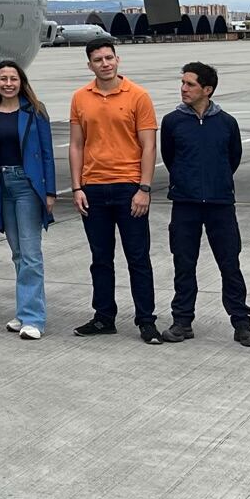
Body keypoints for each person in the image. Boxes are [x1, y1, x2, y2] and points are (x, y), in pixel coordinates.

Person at [158, 62, 250, 347]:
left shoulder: (226, 123)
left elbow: (233, 158)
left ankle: (241, 323)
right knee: (184, 264)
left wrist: (216, 183)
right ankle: (182, 321)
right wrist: (185, 182)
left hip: (220, 204)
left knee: (230, 265)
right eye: (182, 83)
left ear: (207, 89)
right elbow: (169, 156)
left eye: (190, 84)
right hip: (185, 204)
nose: (183, 88)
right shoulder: (172, 122)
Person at [68, 39, 161, 342]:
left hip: (128, 188)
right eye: (98, 60)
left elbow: (148, 145)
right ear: (89, 65)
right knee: (100, 258)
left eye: (109, 58)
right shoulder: (80, 98)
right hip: (93, 189)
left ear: (118, 60)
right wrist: (77, 186)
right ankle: (103, 316)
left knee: (138, 258)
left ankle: (146, 319)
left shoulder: (138, 96)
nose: (105, 64)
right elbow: (76, 144)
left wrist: (144, 188)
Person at [0, 59, 57, 340]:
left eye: (13, 78)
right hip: (3, 187)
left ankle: (34, 318)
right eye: (3, 79)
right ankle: (24, 312)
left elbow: (47, 153)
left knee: (32, 254)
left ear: (21, 82)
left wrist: (49, 192)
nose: (8, 84)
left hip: (27, 186)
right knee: (18, 253)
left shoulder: (35, 112)